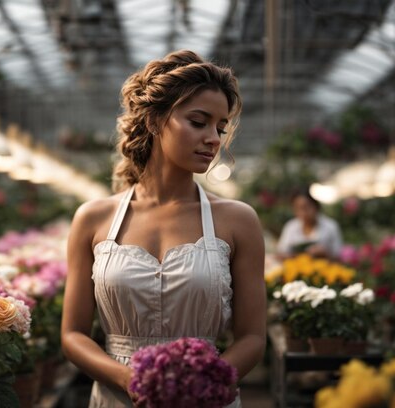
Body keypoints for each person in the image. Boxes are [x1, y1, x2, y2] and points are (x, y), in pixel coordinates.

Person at [61, 50, 266, 407]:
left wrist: (201, 386)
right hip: (118, 396)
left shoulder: (238, 220)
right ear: (155, 120)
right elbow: (73, 334)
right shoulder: (93, 219)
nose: (214, 139)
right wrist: (130, 380)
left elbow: (252, 337)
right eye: (198, 122)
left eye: (220, 127)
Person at [276, 188, 343, 260]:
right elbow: (281, 252)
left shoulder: (330, 226)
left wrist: (325, 254)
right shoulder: (290, 227)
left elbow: (339, 256)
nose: (303, 213)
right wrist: (293, 256)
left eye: (306, 207)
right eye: (298, 208)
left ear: (315, 205)